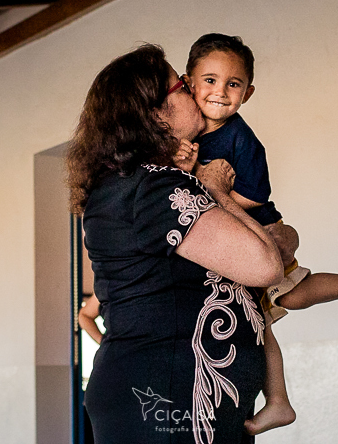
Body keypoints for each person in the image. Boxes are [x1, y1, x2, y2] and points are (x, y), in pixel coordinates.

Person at [181, 33, 338, 436]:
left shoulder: (241, 139)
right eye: (210, 80)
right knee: (260, 319)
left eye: (233, 84)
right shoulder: (185, 132)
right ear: (189, 82)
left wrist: (214, 196)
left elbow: (255, 194)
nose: (220, 92)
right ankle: (278, 402)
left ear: (247, 93)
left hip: (259, 231)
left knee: (291, 296)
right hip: (228, 244)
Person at [67, 43, 285, 444]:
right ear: (154, 112)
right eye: (182, 87)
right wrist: (216, 190)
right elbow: (265, 266)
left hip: (179, 399)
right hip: (166, 400)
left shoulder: (145, 181)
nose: (194, 90)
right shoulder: (152, 188)